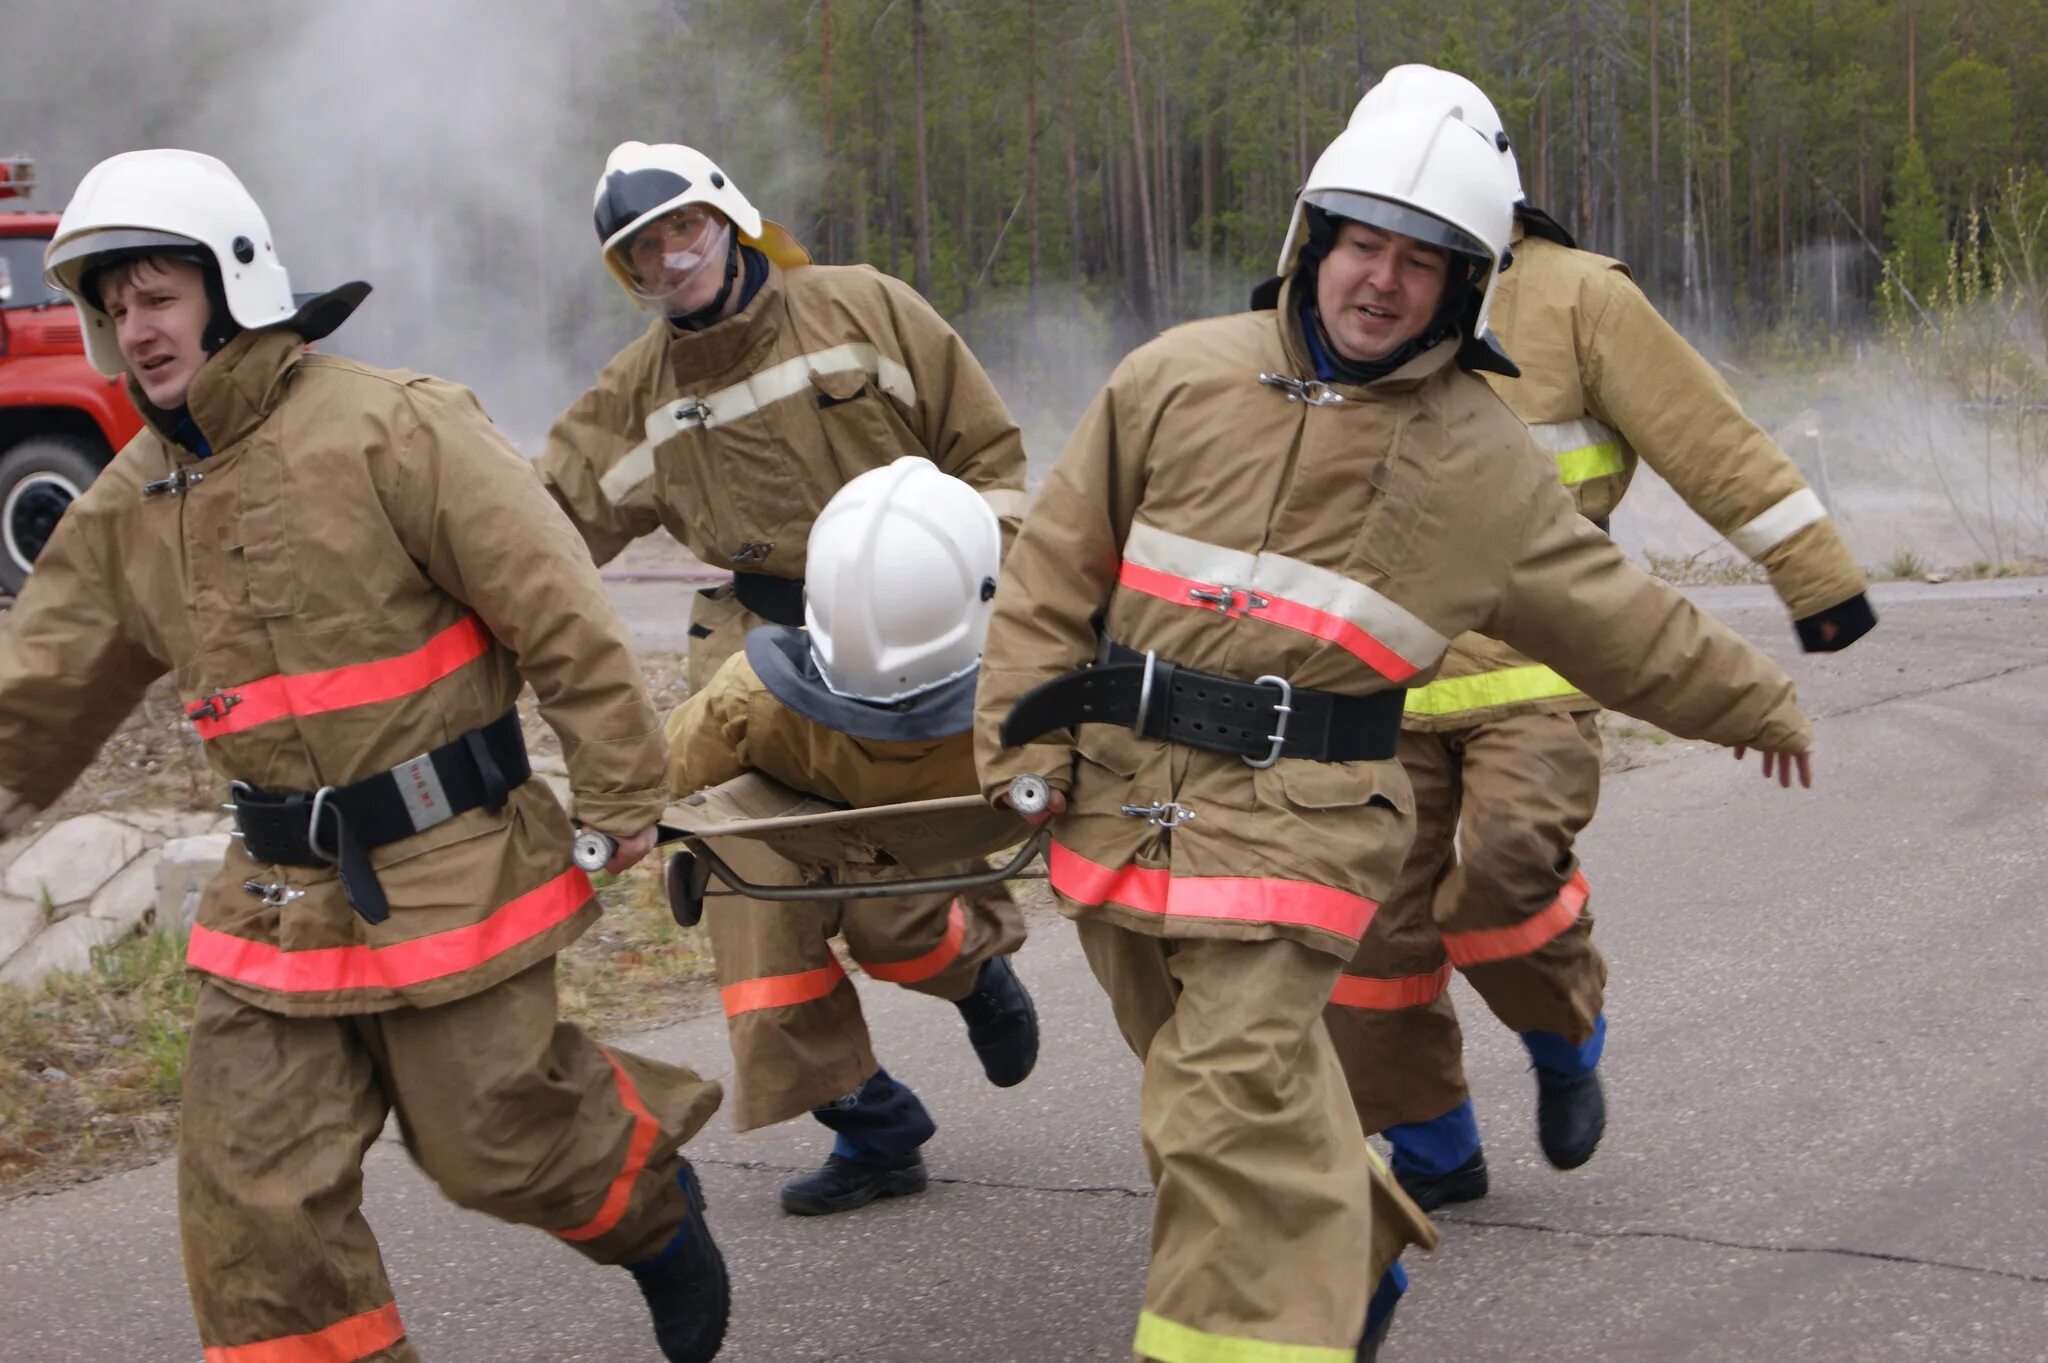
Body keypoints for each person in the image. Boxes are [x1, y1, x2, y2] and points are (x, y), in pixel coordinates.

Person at [973, 99, 1817, 1363]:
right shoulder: (1171, 376)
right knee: (1234, 1089)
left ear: (1461, 286)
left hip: (1303, 825)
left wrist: (1753, 697)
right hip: (1122, 805)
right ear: (1311, 238)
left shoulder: (1480, 457)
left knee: (1211, 1110)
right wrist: (1020, 743)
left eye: (1419, 259)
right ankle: (1353, 1255)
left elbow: (1613, 617)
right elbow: (1053, 568)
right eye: (1363, 241)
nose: (1382, 279)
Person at [0, 150, 728, 1363]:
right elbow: (36, 690)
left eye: (158, 295)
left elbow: (554, 600)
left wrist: (622, 787)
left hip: (453, 860)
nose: (136, 327)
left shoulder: (393, 421)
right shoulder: (127, 503)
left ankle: (648, 1207)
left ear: (232, 287)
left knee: (496, 1144)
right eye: (114, 304)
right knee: (251, 1203)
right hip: (274, 900)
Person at [1319, 66, 1877, 1211]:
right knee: (1369, 943)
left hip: (1537, 667)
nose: (1386, 262)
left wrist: (1815, 583)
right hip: (1371, 686)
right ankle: (1431, 1143)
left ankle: (1563, 1037)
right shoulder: (1319, 301)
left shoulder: (1577, 296)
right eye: (1367, 227)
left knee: (1503, 872)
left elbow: (1704, 439)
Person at [537, 141, 1038, 1157]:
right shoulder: (635, 394)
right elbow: (536, 534)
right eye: (643, 250)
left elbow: (986, 458)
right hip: (755, 658)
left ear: (728, 217)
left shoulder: (863, 310)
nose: (671, 259)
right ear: (628, 275)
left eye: (682, 229)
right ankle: (863, 1119)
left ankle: (969, 966)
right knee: (750, 890)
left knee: (898, 911)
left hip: (910, 635)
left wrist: (989, 593)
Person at [662, 457, 1036, 1214]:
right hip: (793, 823)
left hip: (923, 837)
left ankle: (975, 973)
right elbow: (652, 774)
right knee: (770, 978)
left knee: (904, 940)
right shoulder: (751, 696)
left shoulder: (1034, 695)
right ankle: (872, 1128)